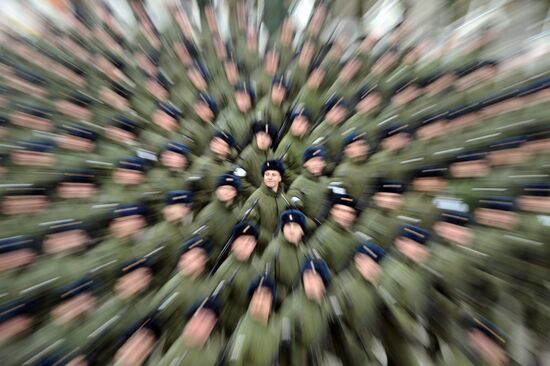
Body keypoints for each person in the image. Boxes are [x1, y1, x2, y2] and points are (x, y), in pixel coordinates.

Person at [331, 242, 388, 365]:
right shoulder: (341, 286)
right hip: (352, 351)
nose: (372, 268)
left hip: (371, 345)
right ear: (357, 260)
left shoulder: (377, 288)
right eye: (368, 262)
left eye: (376, 266)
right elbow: (339, 329)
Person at [279, 258, 333, 366]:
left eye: (315, 277)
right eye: (306, 276)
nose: (309, 282)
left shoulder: (328, 303)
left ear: (323, 282)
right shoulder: (292, 306)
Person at [212, 222, 262, 331]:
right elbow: (219, 306)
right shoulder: (225, 272)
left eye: (250, 241)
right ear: (233, 244)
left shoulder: (257, 263)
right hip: (234, 326)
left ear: (254, 245)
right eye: (242, 240)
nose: (246, 244)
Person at [226, 275, 281, 366]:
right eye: (256, 296)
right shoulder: (243, 332)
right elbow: (234, 359)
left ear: (271, 302)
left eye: (264, 297)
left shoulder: (276, 320)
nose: (259, 302)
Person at [261, 209, 309, 302]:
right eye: (287, 226)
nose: (291, 230)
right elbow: (264, 282)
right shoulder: (273, 250)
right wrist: (285, 295)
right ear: (282, 229)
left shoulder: (304, 250)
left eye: (295, 226)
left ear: (302, 231)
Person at [241, 160, 289, 252]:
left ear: (280, 178)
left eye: (273, 175)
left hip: (280, 247)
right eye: (267, 174)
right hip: (260, 250)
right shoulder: (256, 198)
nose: (269, 177)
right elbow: (249, 224)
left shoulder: (283, 197)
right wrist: (271, 239)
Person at [195, 174, 242, 261]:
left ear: (235, 193)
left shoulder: (236, 211)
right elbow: (199, 244)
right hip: (215, 261)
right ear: (216, 191)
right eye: (223, 188)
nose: (227, 192)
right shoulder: (207, 215)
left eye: (231, 189)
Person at [309, 193, 360, 273]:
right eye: (342, 210)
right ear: (332, 211)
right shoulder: (323, 237)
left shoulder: (353, 237)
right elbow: (315, 271)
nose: (346, 215)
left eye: (351, 212)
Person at [287, 145, 330, 231]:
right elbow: (291, 211)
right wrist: (311, 224)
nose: (317, 164)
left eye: (320, 160)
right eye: (313, 160)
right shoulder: (298, 184)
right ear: (305, 164)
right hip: (310, 232)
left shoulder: (326, 181)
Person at [237, 121, 277, 197]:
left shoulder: (271, 154)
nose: (263, 139)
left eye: (267, 137)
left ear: (271, 142)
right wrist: (256, 192)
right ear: (256, 136)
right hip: (251, 197)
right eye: (261, 135)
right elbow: (239, 179)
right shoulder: (246, 155)